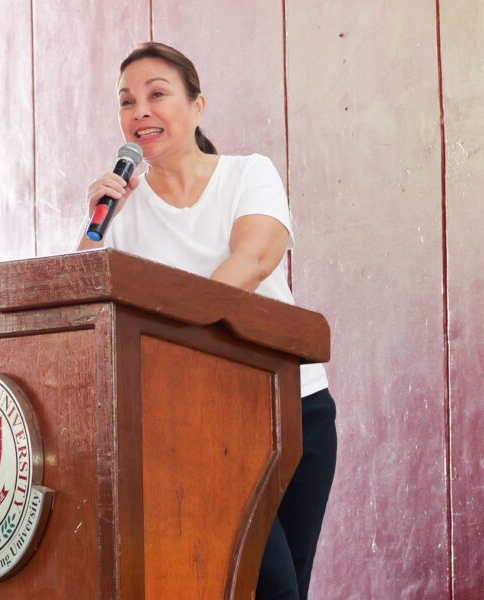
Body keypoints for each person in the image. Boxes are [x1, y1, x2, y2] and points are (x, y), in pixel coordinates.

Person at [76, 41, 337, 600]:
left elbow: (253, 260)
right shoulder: (122, 213)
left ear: (197, 106)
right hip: (196, 422)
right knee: (259, 586)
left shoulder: (248, 175)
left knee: (290, 583)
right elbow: (82, 310)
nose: (139, 111)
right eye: (127, 101)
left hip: (294, 407)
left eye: (157, 94)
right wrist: (95, 226)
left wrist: (173, 329)